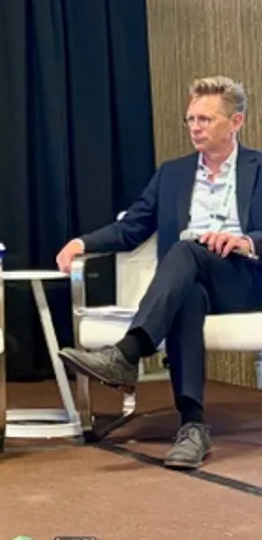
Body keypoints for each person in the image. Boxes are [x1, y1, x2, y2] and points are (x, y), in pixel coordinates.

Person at [55, 76, 262, 470]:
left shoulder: (259, 167)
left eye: (205, 119)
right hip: (191, 279)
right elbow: (132, 227)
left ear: (236, 122)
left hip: (245, 278)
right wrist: (82, 243)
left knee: (185, 248)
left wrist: (243, 241)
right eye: (191, 119)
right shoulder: (173, 173)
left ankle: (128, 353)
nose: (195, 128)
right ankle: (192, 427)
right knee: (187, 293)